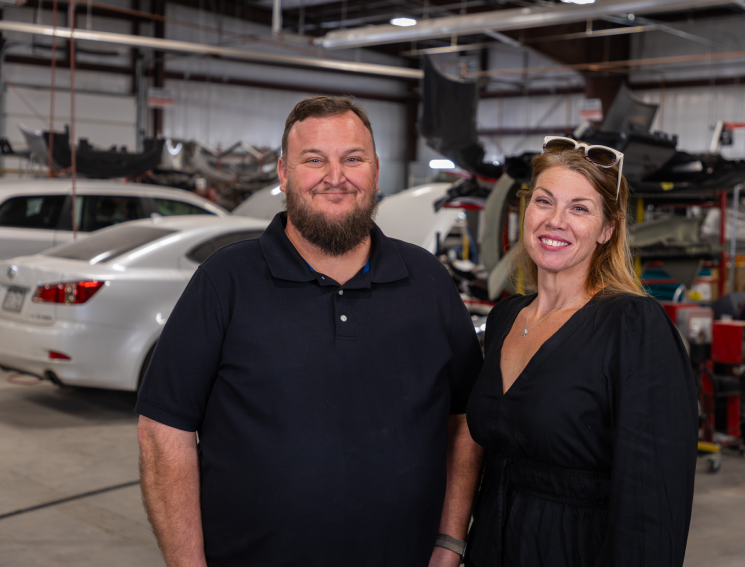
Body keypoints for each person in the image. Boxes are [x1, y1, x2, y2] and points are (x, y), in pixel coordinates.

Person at [135, 96, 484, 567]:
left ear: (376, 171)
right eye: (314, 159)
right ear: (283, 173)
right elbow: (163, 431)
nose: (335, 177)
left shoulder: (426, 280)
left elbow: (466, 420)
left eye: (353, 159)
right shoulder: (226, 280)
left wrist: (450, 540)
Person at [464, 137, 698, 566]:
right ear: (525, 210)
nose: (556, 221)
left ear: (607, 229)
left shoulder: (633, 326)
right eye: (544, 201)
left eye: (579, 208)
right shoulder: (504, 318)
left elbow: (653, 502)